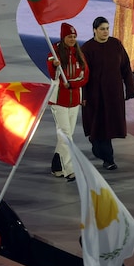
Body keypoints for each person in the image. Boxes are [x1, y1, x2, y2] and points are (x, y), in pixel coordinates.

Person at [81, 16, 134, 170]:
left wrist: (130, 87)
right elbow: (83, 75)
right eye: (102, 29)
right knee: (97, 125)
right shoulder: (87, 49)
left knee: (108, 126)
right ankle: (103, 153)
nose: (105, 32)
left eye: (107, 28)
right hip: (94, 95)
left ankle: (108, 158)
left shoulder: (115, 44)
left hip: (113, 94)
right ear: (94, 30)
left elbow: (125, 67)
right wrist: (83, 96)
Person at [47, 22, 88, 182]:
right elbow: (52, 74)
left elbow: (85, 76)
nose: (72, 39)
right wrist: (54, 65)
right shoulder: (54, 52)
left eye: (74, 37)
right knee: (66, 136)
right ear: (63, 37)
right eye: (69, 36)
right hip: (59, 101)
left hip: (74, 101)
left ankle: (57, 167)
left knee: (66, 136)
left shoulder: (79, 53)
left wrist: (72, 84)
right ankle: (69, 169)